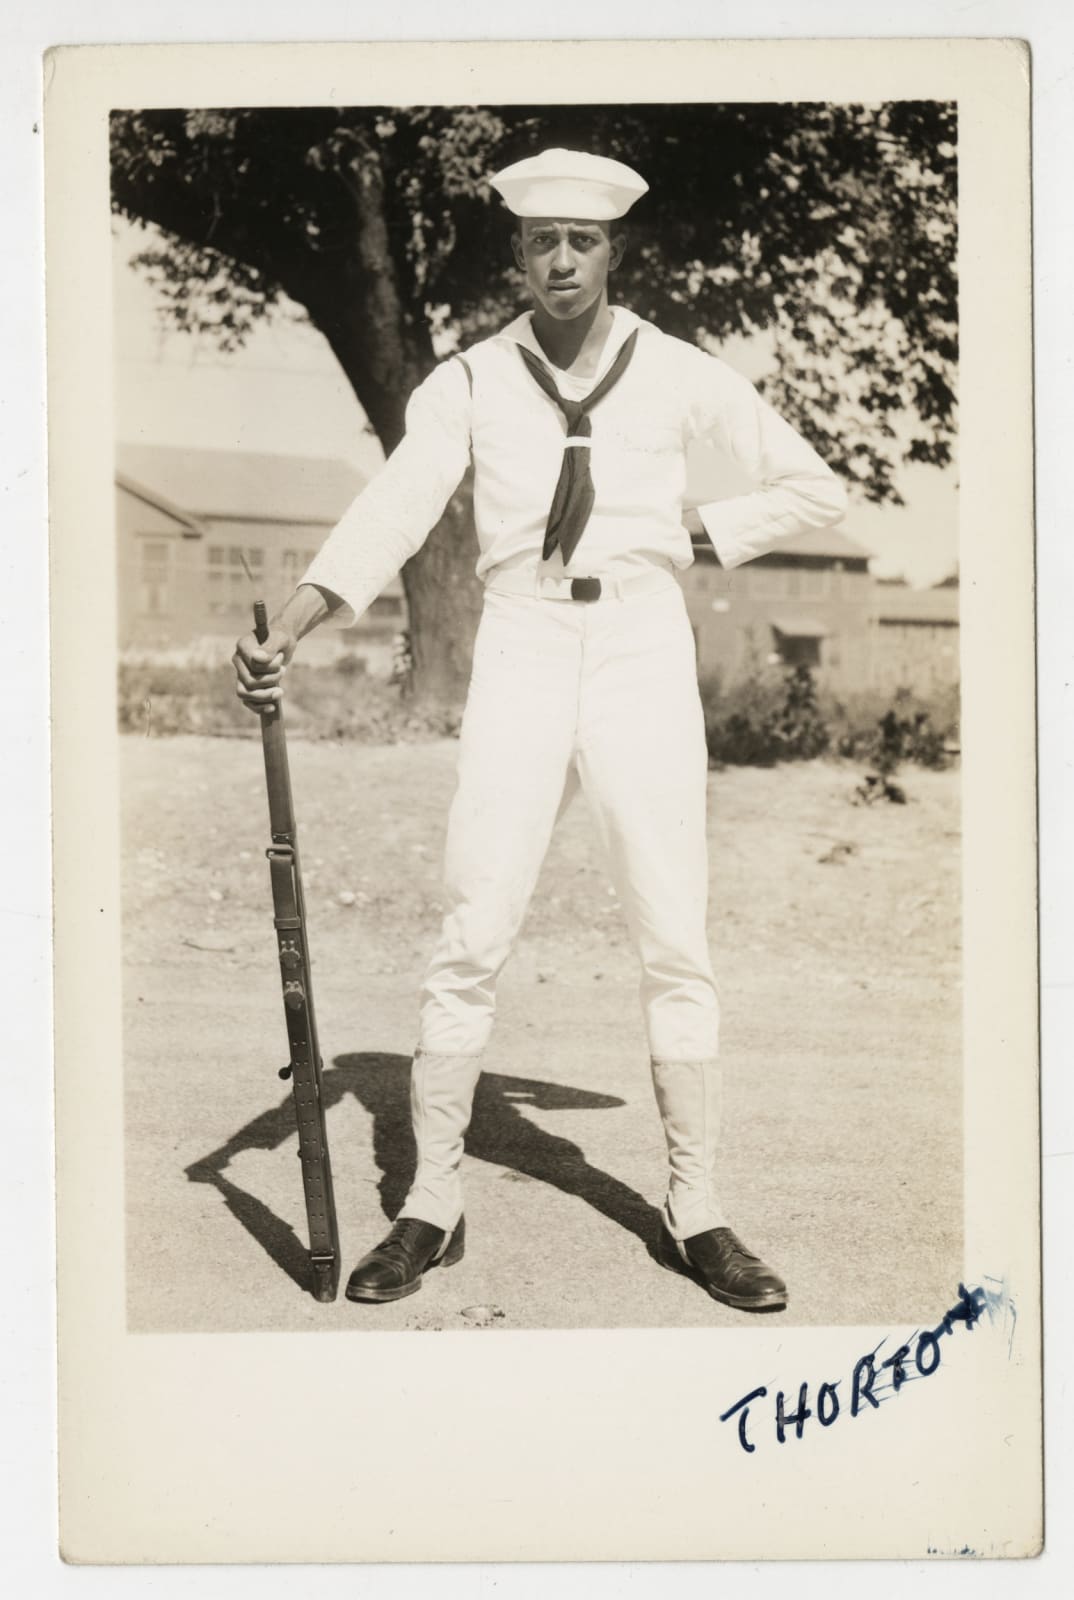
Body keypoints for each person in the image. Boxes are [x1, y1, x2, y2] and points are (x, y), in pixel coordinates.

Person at [233, 148, 847, 1313]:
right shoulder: (468, 380)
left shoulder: (676, 373)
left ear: (616, 251)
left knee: (673, 936)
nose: (561, 260)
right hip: (519, 646)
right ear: (514, 252)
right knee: (473, 928)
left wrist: (687, 529)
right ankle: (432, 1201)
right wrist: (301, 621)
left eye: (584, 241)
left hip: (639, 650)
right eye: (540, 241)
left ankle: (697, 1204)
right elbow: (396, 506)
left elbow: (816, 488)